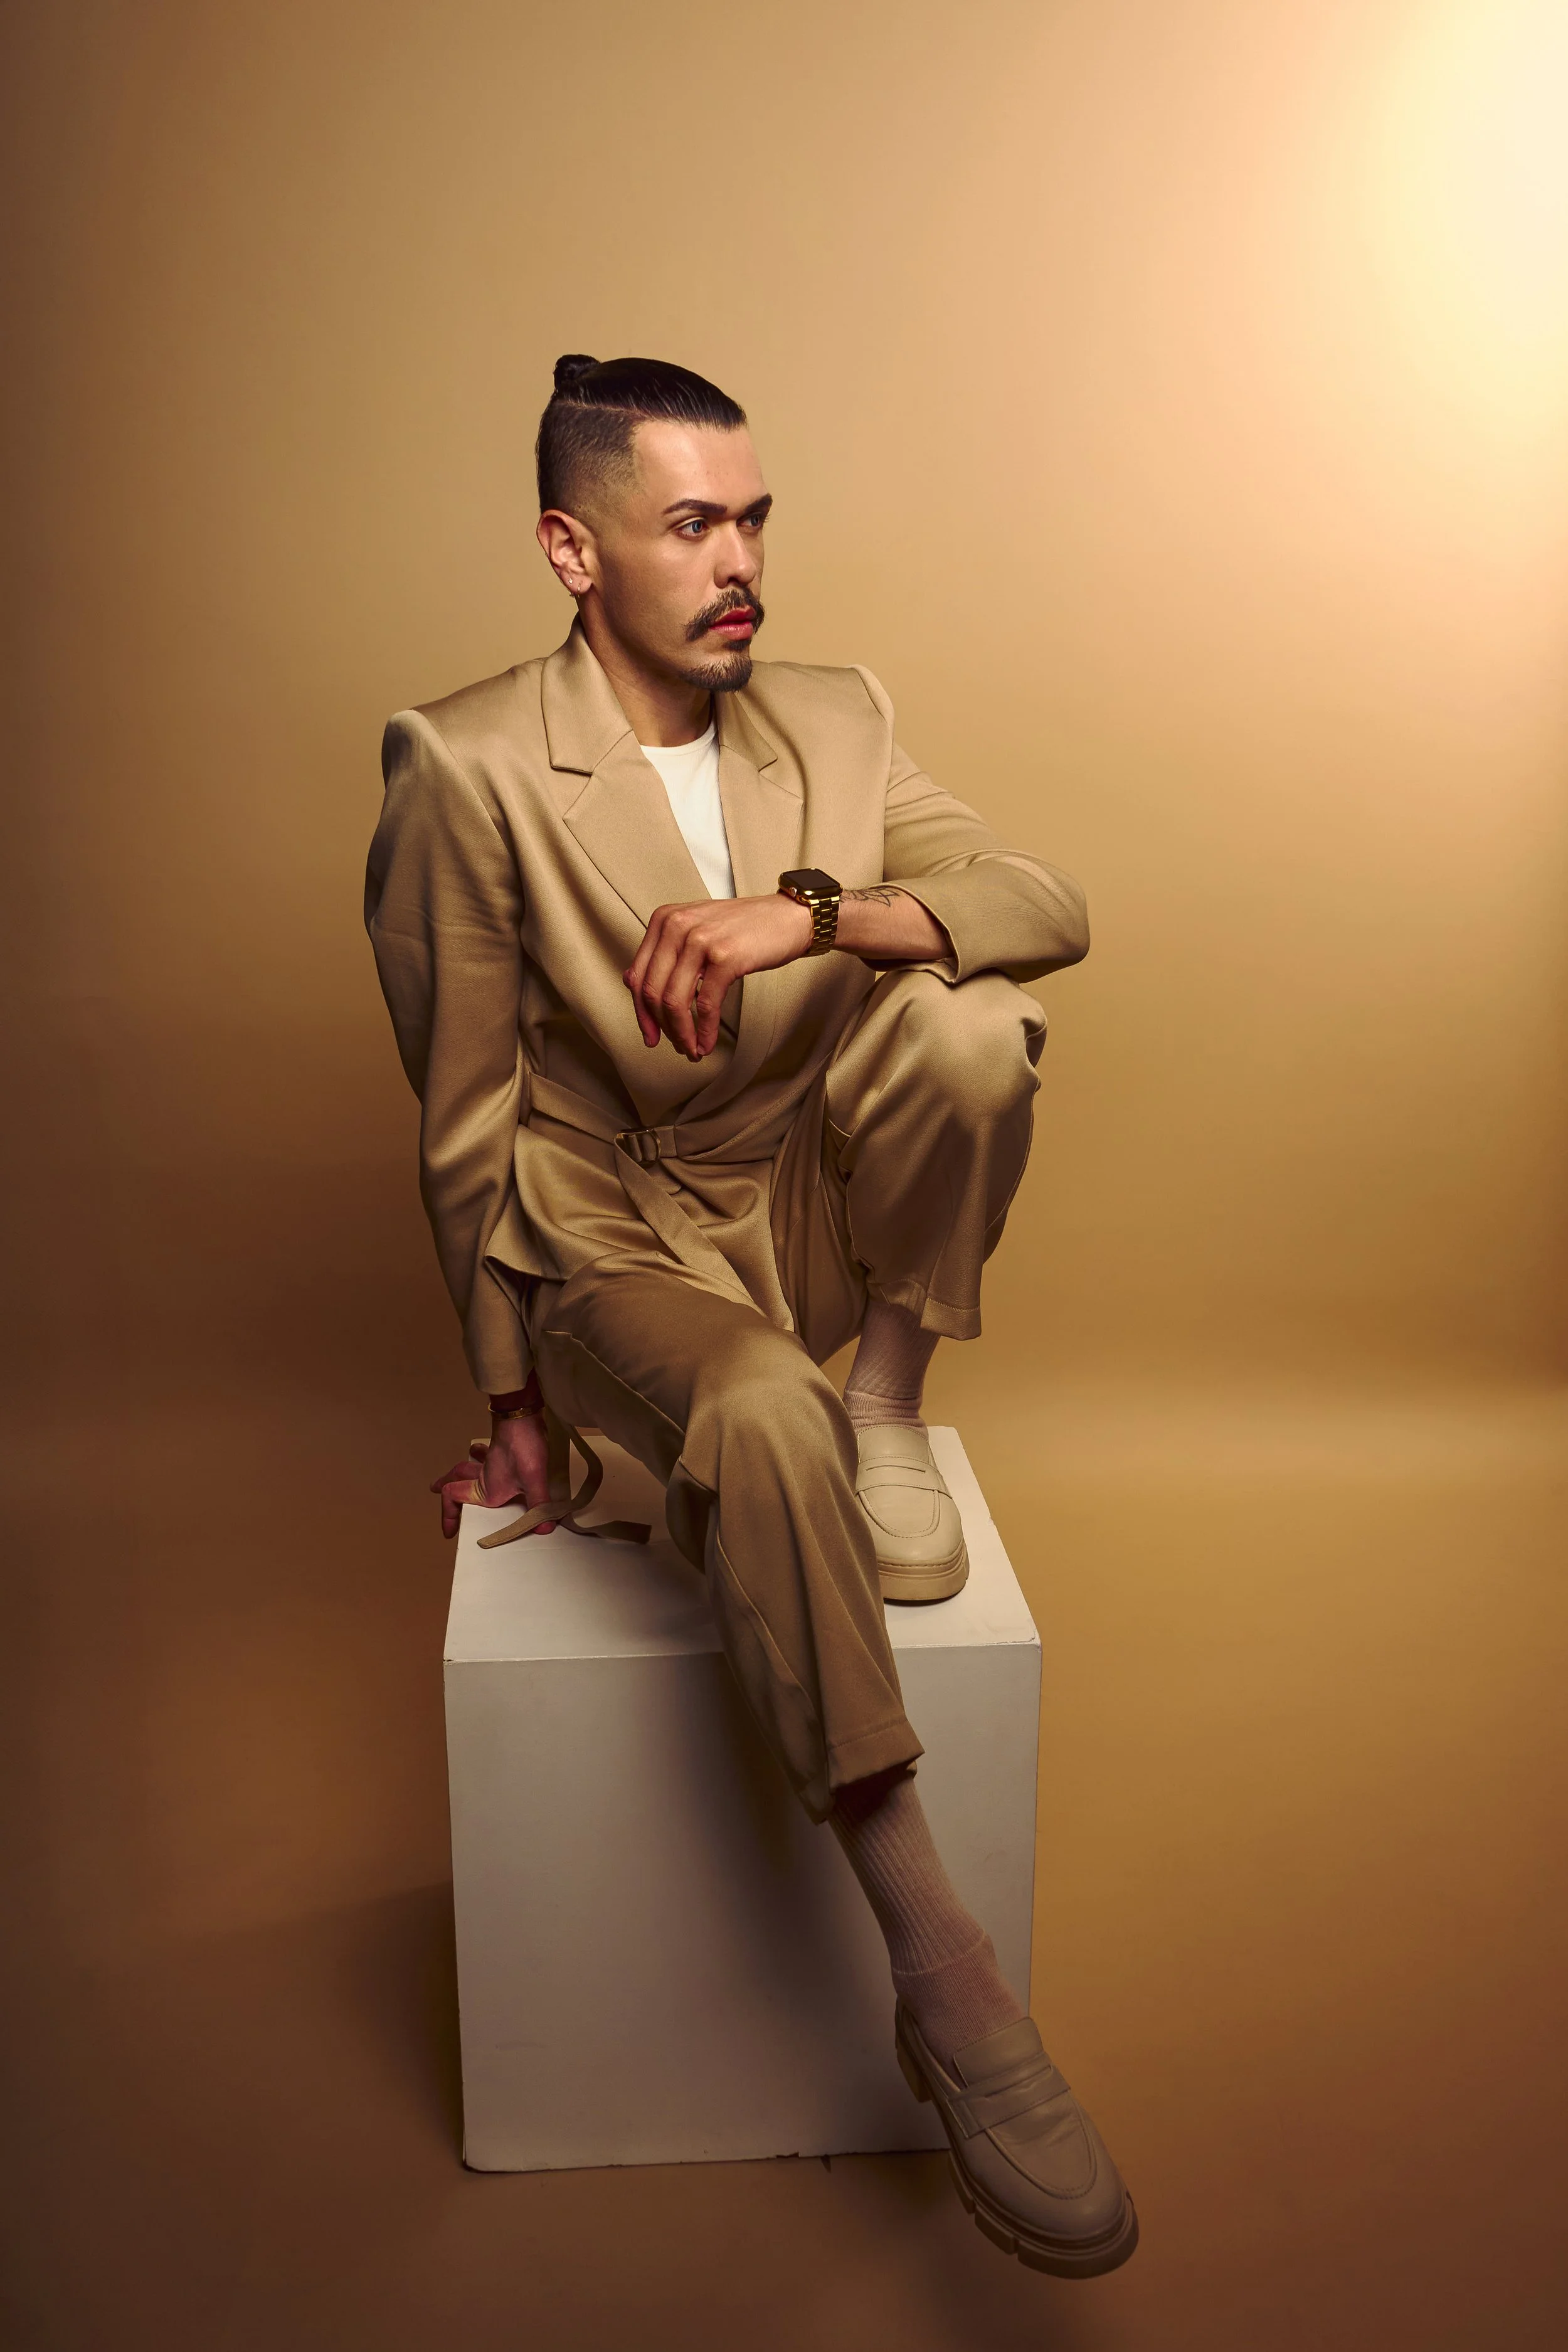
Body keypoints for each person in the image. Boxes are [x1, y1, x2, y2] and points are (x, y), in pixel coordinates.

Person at [365, 354, 1136, 2276]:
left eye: (755, 520)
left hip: (794, 1196)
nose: (741, 566)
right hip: (612, 1225)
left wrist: (814, 909)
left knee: (973, 1027)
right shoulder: (465, 764)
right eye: (693, 523)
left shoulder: (835, 715)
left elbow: (1042, 899)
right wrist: (510, 1398)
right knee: (753, 1416)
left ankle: (885, 1403)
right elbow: (461, 1111)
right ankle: (942, 1968)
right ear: (573, 549)